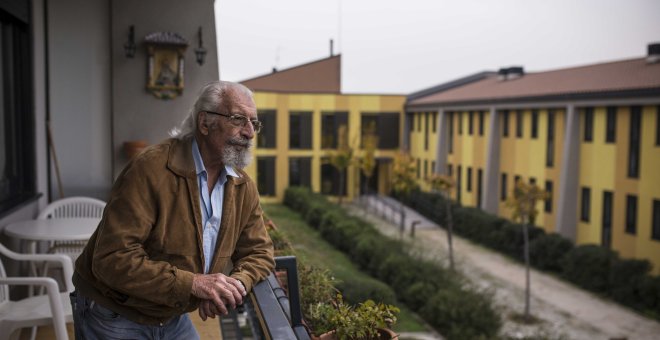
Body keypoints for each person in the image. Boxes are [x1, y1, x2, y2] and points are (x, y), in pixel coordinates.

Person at [70, 81, 274, 339]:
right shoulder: (150, 168)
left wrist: (233, 285)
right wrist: (196, 284)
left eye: (253, 123)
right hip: (114, 311)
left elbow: (260, 251)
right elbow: (112, 258)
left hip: (169, 313)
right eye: (238, 119)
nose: (249, 132)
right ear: (205, 123)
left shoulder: (242, 186)